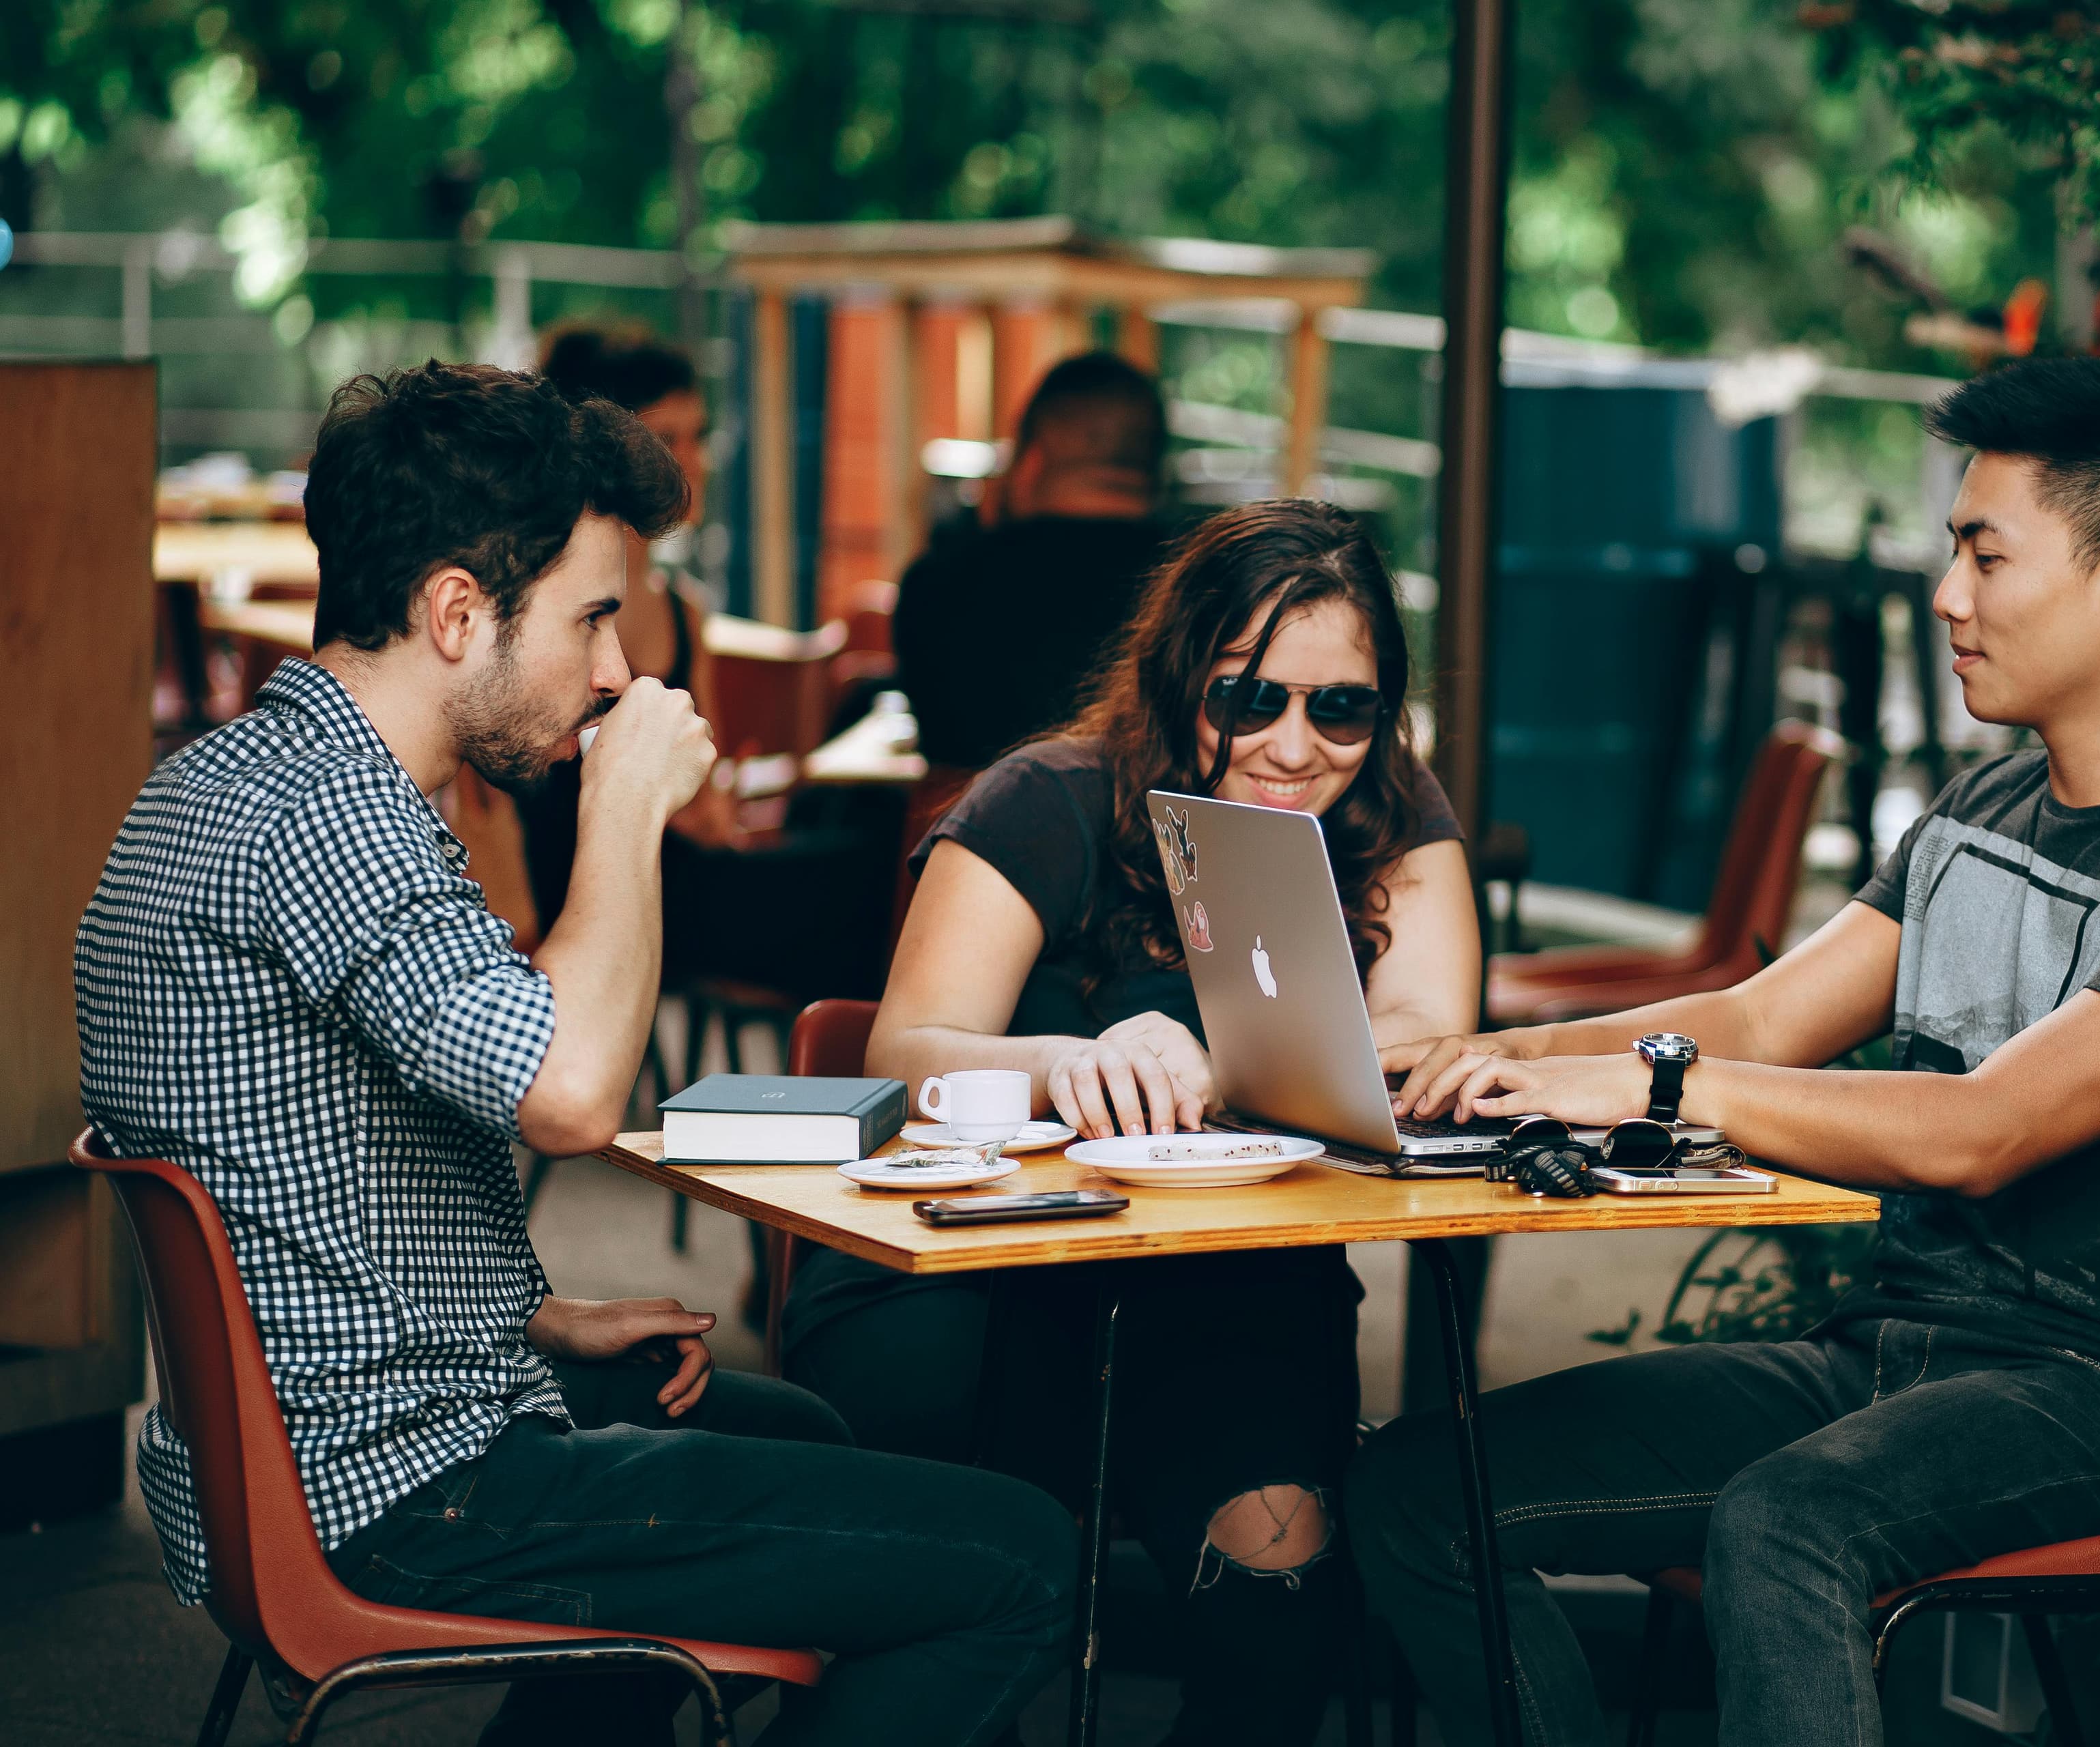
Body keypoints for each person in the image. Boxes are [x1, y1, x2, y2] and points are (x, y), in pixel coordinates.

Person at [74, 362, 1074, 1747]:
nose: (617, 667)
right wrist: (625, 811)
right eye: (595, 617)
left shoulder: (231, 780)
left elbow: (293, 1169)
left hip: (296, 1442)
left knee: (812, 1442)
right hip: (391, 1484)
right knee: (1021, 1557)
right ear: (457, 613)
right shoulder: (331, 823)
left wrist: (529, 1318)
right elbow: (574, 1093)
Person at [1351, 358, 2100, 1747]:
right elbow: (1759, 1018)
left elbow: (1984, 1126)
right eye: (1954, 553)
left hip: (2097, 1394)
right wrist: (1475, 1057)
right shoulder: (1985, 800)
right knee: (1419, 1493)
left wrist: (1647, 1079)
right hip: (1882, 1354)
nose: (1949, 596)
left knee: (1786, 1520)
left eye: (1987, 555)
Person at [779, 499, 1481, 1744]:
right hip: (975, 1281)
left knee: (1281, 1592)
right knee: (984, 1581)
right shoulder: (1046, 798)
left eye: (1343, 706)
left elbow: (1425, 1037)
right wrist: (1072, 1059)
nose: (1295, 743)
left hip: (1224, 1293)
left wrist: (1230, 1056)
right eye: (1248, 698)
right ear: (1177, 684)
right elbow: (900, 1056)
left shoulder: (1388, 812)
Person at [516, 322, 736, 932]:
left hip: (672, 890)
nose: (693, 463)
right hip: (561, 898)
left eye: (699, 437)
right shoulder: (534, 609)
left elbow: (709, 799)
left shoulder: (686, 615)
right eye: (667, 438)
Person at [892, 350, 1175, 773]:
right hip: (1147, 836)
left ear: (1032, 459)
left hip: (970, 833)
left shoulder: (936, 584)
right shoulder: (1200, 585)